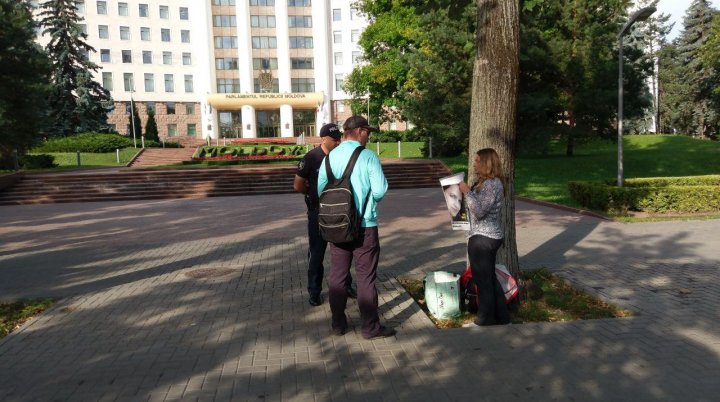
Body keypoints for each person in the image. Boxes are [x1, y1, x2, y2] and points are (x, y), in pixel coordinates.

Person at [317, 116, 396, 339]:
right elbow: (380, 191)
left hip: (337, 225)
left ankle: (338, 324)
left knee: (338, 275)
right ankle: (370, 327)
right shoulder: (368, 156)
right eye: (367, 132)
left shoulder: (330, 157)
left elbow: (320, 189)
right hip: (364, 225)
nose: (369, 136)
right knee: (365, 278)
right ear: (359, 131)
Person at [294, 123, 357, 307]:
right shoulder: (312, 157)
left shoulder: (342, 156)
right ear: (323, 138)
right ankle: (314, 291)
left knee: (343, 250)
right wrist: (313, 193)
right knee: (316, 253)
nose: (338, 141)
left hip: (340, 211)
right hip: (318, 213)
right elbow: (298, 185)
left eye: (339, 138)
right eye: (334, 139)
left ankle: (347, 285)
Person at [458, 148, 511, 326]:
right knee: (489, 279)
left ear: (486, 163)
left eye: (477, 161)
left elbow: (480, 211)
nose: (474, 164)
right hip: (482, 236)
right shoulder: (484, 183)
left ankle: (484, 319)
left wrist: (466, 192)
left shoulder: (492, 184)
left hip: (484, 238)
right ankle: (503, 318)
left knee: (483, 281)